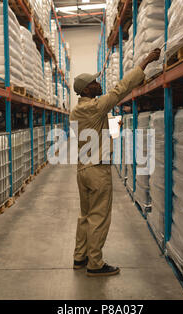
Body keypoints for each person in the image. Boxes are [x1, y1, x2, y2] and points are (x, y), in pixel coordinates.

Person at [70, 48, 161, 277]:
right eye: (95, 82)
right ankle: (95, 264)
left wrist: (116, 123)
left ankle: (80, 257)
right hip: (98, 170)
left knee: (85, 215)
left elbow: (100, 132)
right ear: (87, 89)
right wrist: (145, 62)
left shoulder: (76, 112)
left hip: (82, 170)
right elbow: (120, 89)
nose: (99, 84)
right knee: (99, 217)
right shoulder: (96, 106)